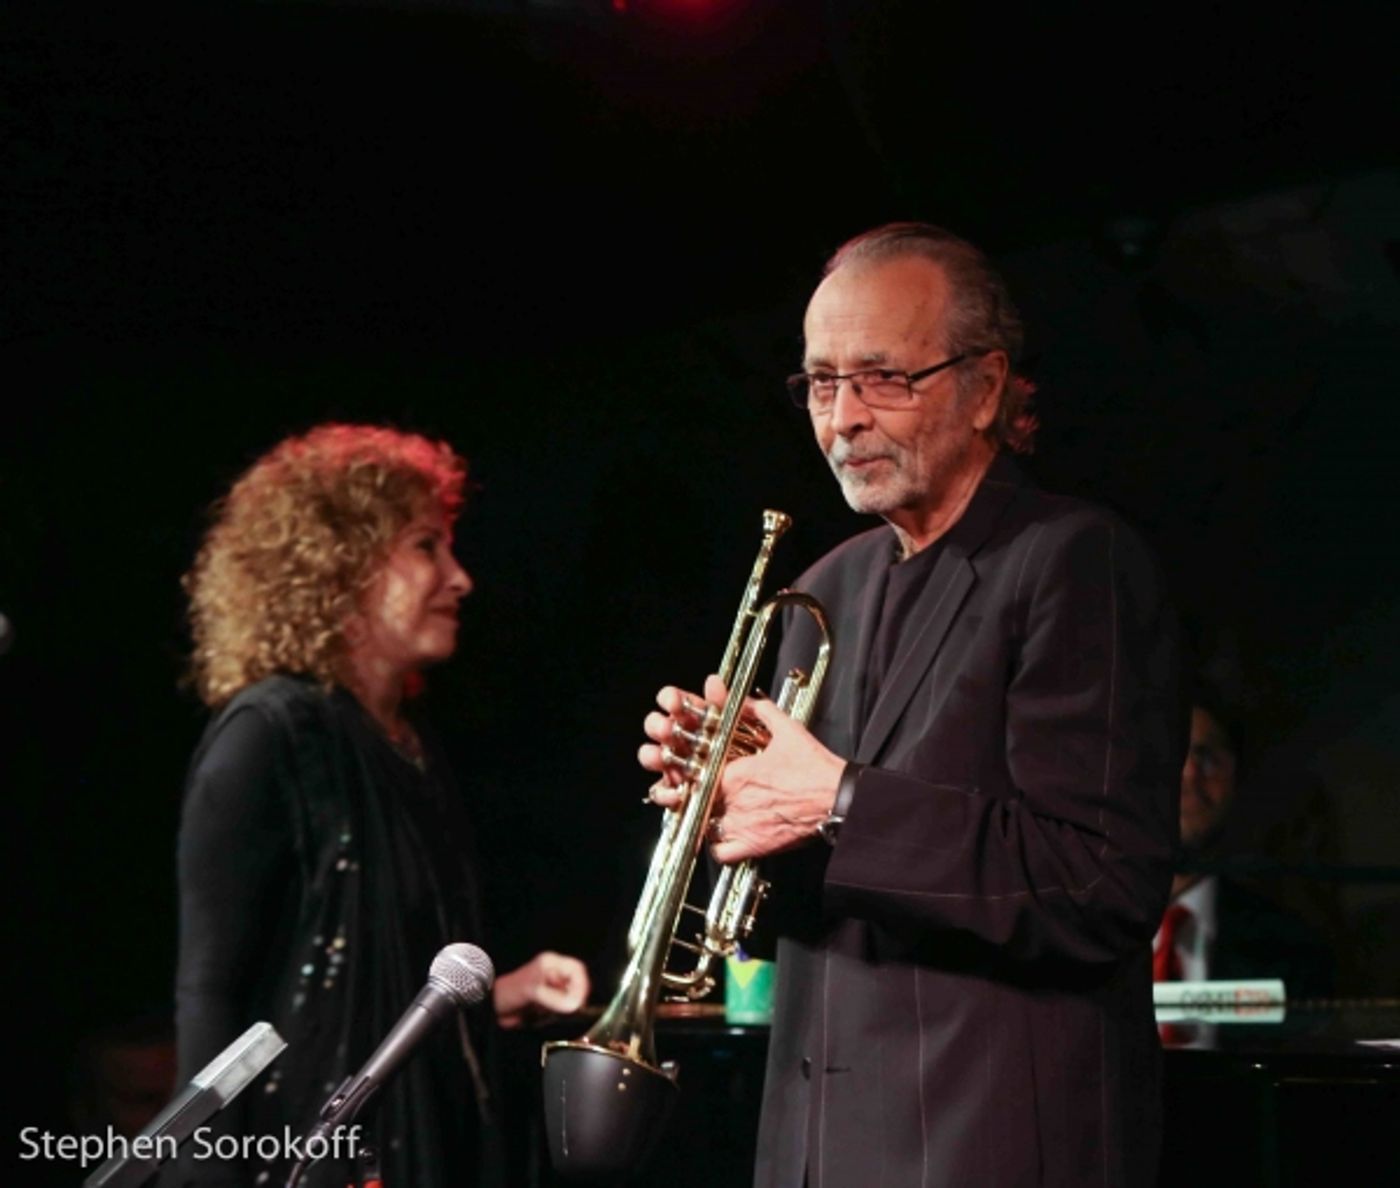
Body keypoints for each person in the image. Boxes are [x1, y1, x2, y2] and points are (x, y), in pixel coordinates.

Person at [641, 223, 1182, 1187]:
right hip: (816, 1142)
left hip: (994, 1148)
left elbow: (1101, 885)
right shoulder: (821, 593)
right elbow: (821, 907)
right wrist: (728, 821)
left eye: (882, 377)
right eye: (819, 381)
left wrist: (837, 799)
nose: (841, 418)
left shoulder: (1073, 561)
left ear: (984, 388)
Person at [164, 424, 588, 1188]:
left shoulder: (408, 743)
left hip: (426, 1148)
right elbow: (212, 993)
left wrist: (505, 994)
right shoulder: (271, 735)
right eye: (427, 546)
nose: (460, 578)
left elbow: (387, 989)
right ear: (340, 565)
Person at [1156, 693, 1335, 999]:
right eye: (1173, 753)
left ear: (1236, 777)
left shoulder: (1289, 946)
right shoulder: (1080, 930)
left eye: (1208, 758)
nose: (1190, 773)